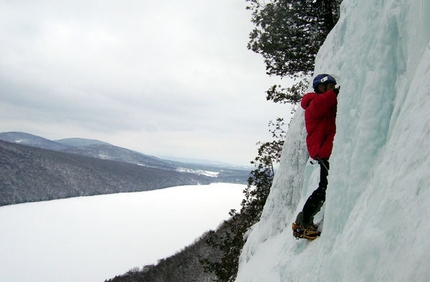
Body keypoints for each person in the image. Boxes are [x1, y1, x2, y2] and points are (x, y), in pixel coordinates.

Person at [293, 74, 339, 234]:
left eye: (334, 87)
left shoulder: (326, 103)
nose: (333, 90)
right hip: (323, 150)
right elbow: (322, 103)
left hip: (326, 149)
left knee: (324, 186)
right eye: (330, 87)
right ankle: (304, 221)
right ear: (321, 87)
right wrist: (335, 94)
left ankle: (304, 219)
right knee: (324, 188)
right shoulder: (313, 104)